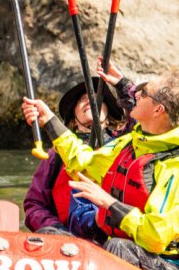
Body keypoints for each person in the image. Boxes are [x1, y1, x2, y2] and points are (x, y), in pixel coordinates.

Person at [21, 71, 179, 270]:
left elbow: (157, 236)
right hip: (125, 251)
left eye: (144, 93)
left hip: (170, 265)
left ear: (158, 109)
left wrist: (109, 204)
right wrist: (49, 119)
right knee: (111, 246)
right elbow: (83, 162)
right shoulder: (130, 144)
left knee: (118, 248)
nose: (136, 95)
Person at [22, 78, 123, 238]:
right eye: (82, 100)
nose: (89, 101)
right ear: (74, 121)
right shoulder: (56, 155)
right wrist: (55, 228)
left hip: (113, 236)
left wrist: (122, 84)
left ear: (109, 116)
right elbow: (35, 204)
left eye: (96, 98)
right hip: (67, 238)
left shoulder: (125, 147)